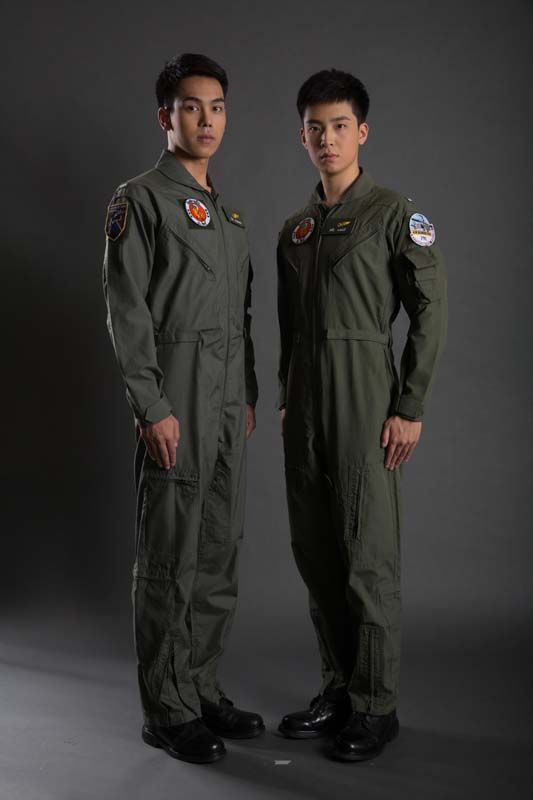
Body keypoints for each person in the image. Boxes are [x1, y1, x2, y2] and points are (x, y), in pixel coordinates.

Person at [276, 69, 447, 762]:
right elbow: (288, 329)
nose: (327, 139)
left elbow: (430, 308)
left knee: (366, 558)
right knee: (317, 555)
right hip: (304, 411)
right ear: (302, 137)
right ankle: (339, 690)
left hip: (364, 403)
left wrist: (409, 404)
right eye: (314, 128)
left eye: (339, 126)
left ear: (362, 132)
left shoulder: (392, 213)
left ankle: (375, 707)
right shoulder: (294, 231)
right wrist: (286, 398)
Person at [102, 53, 263, 765]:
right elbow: (127, 310)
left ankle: (199, 687)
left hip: (226, 404)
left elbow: (240, 316)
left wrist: (246, 393)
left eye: (217, 106)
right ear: (164, 116)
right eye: (191, 106)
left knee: (217, 552)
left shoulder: (228, 214)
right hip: (177, 397)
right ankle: (167, 710)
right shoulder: (139, 200)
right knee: (170, 553)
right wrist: (151, 404)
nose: (206, 120)